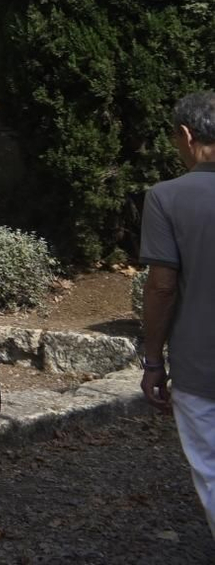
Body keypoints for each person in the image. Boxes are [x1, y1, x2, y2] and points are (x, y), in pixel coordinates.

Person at [140, 90, 215, 539]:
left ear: (186, 136)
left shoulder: (167, 197)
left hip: (201, 363)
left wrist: (153, 360)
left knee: (210, 469)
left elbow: (162, 286)